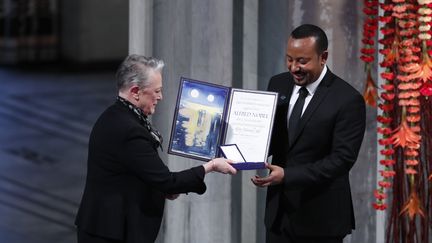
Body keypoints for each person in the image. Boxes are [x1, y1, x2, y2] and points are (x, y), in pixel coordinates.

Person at [75, 54, 237, 243]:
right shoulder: (129, 131)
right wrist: (210, 166)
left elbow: (135, 173)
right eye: (157, 91)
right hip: (111, 233)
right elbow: (168, 181)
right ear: (136, 91)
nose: (161, 97)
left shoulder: (115, 116)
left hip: (106, 228)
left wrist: (160, 188)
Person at [251, 24, 366, 243]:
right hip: (278, 217)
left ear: (323, 57)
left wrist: (287, 176)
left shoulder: (347, 99)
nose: (294, 67)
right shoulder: (277, 83)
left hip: (321, 221)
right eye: (289, 59)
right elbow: (271, 136)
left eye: (302, 61)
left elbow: (341, 160)